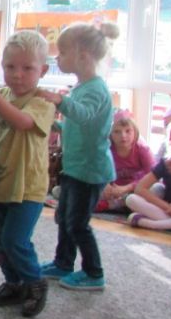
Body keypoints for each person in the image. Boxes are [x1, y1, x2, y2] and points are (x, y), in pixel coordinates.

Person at [37, 22, 119, 292]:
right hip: (76, 167)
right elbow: (78, 125)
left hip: (90, 170)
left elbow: (84, 115)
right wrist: (55, 125)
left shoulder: (96, 89)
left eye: (62, 53)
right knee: (64, 217)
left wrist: (60, 101)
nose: (57, 58)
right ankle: (63, 262)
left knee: (77, 223)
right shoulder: (82, 87)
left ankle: (94, 273)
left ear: (83, 56)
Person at [0, 30, 55, 318]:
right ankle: (14, 284)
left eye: (27, 68)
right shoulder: (2, 95)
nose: (17, 74)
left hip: (27, 188)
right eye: (10, 67)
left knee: (15, 240)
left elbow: (22, 121)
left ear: (43, 71)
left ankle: (35, 282)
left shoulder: (42, 101)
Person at [94, 110, 154, 212]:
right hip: (113, 190)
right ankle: (117, 205)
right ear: (110, 134)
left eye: (128, 131)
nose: (123, 135)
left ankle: (113, 205)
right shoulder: (107, 151)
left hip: (136, 189)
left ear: (135, 132)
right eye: (117, 132)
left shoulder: (143, 150)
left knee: (153, 190)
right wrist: (105, 184)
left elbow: (153, 176)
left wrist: (126, 188)